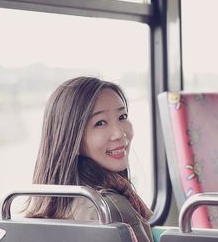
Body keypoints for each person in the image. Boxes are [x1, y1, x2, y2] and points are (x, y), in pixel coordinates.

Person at [26, 77, 153, 242]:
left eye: (122, 117)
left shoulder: (55, 204)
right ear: (72, 139)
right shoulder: (108, 208)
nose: (120, 134)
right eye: (100, 123)